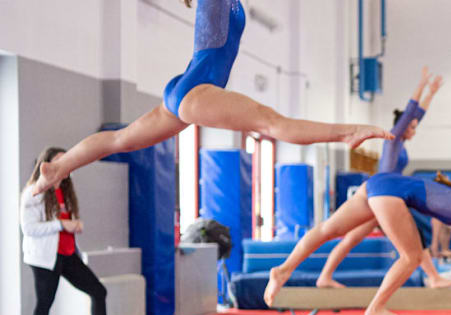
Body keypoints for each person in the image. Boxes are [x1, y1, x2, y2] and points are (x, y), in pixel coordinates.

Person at [32, 0, 390, 195]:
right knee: (271, 122)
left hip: (187, 85)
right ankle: (347, 133)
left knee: (120, 139)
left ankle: (59, 168)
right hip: (197, 89)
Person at [265, 174, 451, 315]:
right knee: (411, 257)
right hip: (390, 194)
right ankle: (375, 308)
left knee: (327, 230)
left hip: (375, 185)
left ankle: (283, 270)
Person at [315, 68, 451, 290]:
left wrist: (431, 93)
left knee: (353, 239)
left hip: (384, 196)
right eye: (411, 126)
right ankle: (433, 277)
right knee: (399, 236)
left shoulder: (400, 143)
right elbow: (412, 111)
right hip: (382, 195)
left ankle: (325, 276)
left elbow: (417, 115)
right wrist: (421, 84)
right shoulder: (393, 139)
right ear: (403, 125)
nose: (415, 129)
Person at [21, 148, 115, 315]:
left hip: (67, 254)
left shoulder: (65, 191)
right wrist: (61, 225)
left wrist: (74, 225)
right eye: (59, 161)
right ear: (46, 166)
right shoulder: (33, 193)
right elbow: (28, 228)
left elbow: (65, 223)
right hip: (45, 258)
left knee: (98, 291)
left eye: (67, 161)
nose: (64, 165)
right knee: (45, 303)